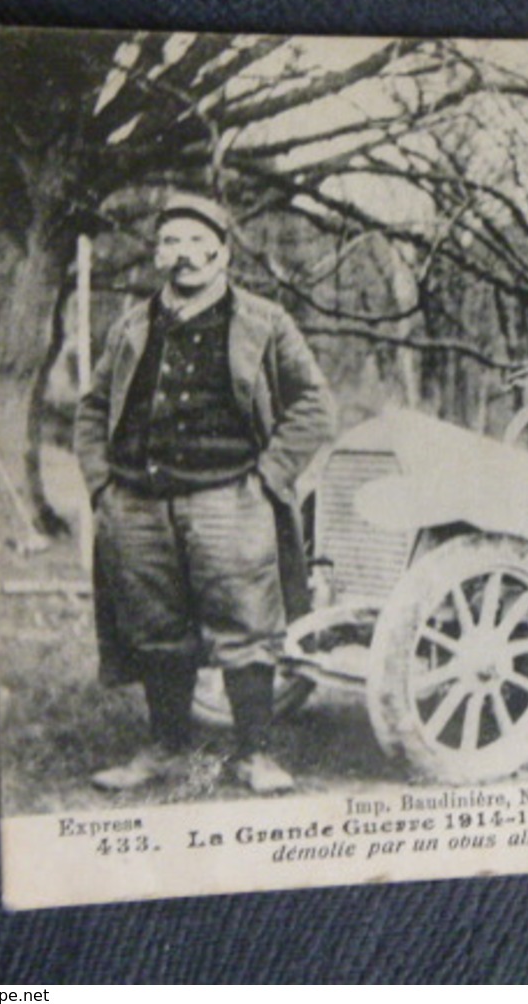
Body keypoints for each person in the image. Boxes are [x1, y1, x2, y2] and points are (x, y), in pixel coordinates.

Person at [75, 192, 336, 795]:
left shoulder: (264, 321)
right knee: (154, 626)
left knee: (245, 626)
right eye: (171, 242)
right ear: (158, 253)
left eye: (198, 242)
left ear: (223, 252)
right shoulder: (131, 323)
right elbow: (91, 408)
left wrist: (269, 477)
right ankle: (166, 747)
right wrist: (100, 484)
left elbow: (315, 405)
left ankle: (254, 754)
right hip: (136, 501)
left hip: (230, 498)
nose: (184, 256)